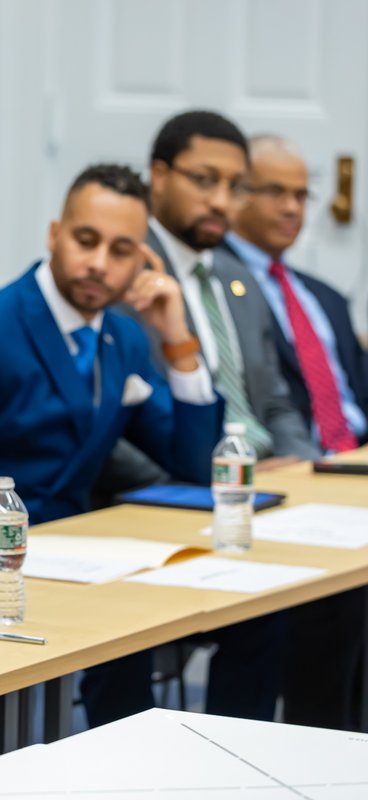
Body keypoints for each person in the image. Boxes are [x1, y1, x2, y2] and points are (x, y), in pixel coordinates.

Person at [0, 164, 279, 727]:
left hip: (86, 565)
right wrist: (32, 553)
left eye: (122, 251)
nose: (99, 264)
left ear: (142, 261)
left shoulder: (124, 336)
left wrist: (178, 339)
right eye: (86, 241)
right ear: (53, 234)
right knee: (122, 639)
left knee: (264, 617)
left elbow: (192, 467)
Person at [226, 134, 367, 730]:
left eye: (301, 195)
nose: (292, 208)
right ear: (237, 196)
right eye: (274, 192)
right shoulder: (225, 286)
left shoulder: (324, 296)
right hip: (296, 480)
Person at [143, 110, 319, 465]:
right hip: (191, 480)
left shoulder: (238, 276)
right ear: (159, 176)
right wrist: (225, 479)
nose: (221, 202)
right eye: (205, 180)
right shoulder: (127, 274)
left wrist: (304, 466)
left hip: (271, 476)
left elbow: (274, 402)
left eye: (235, 187)